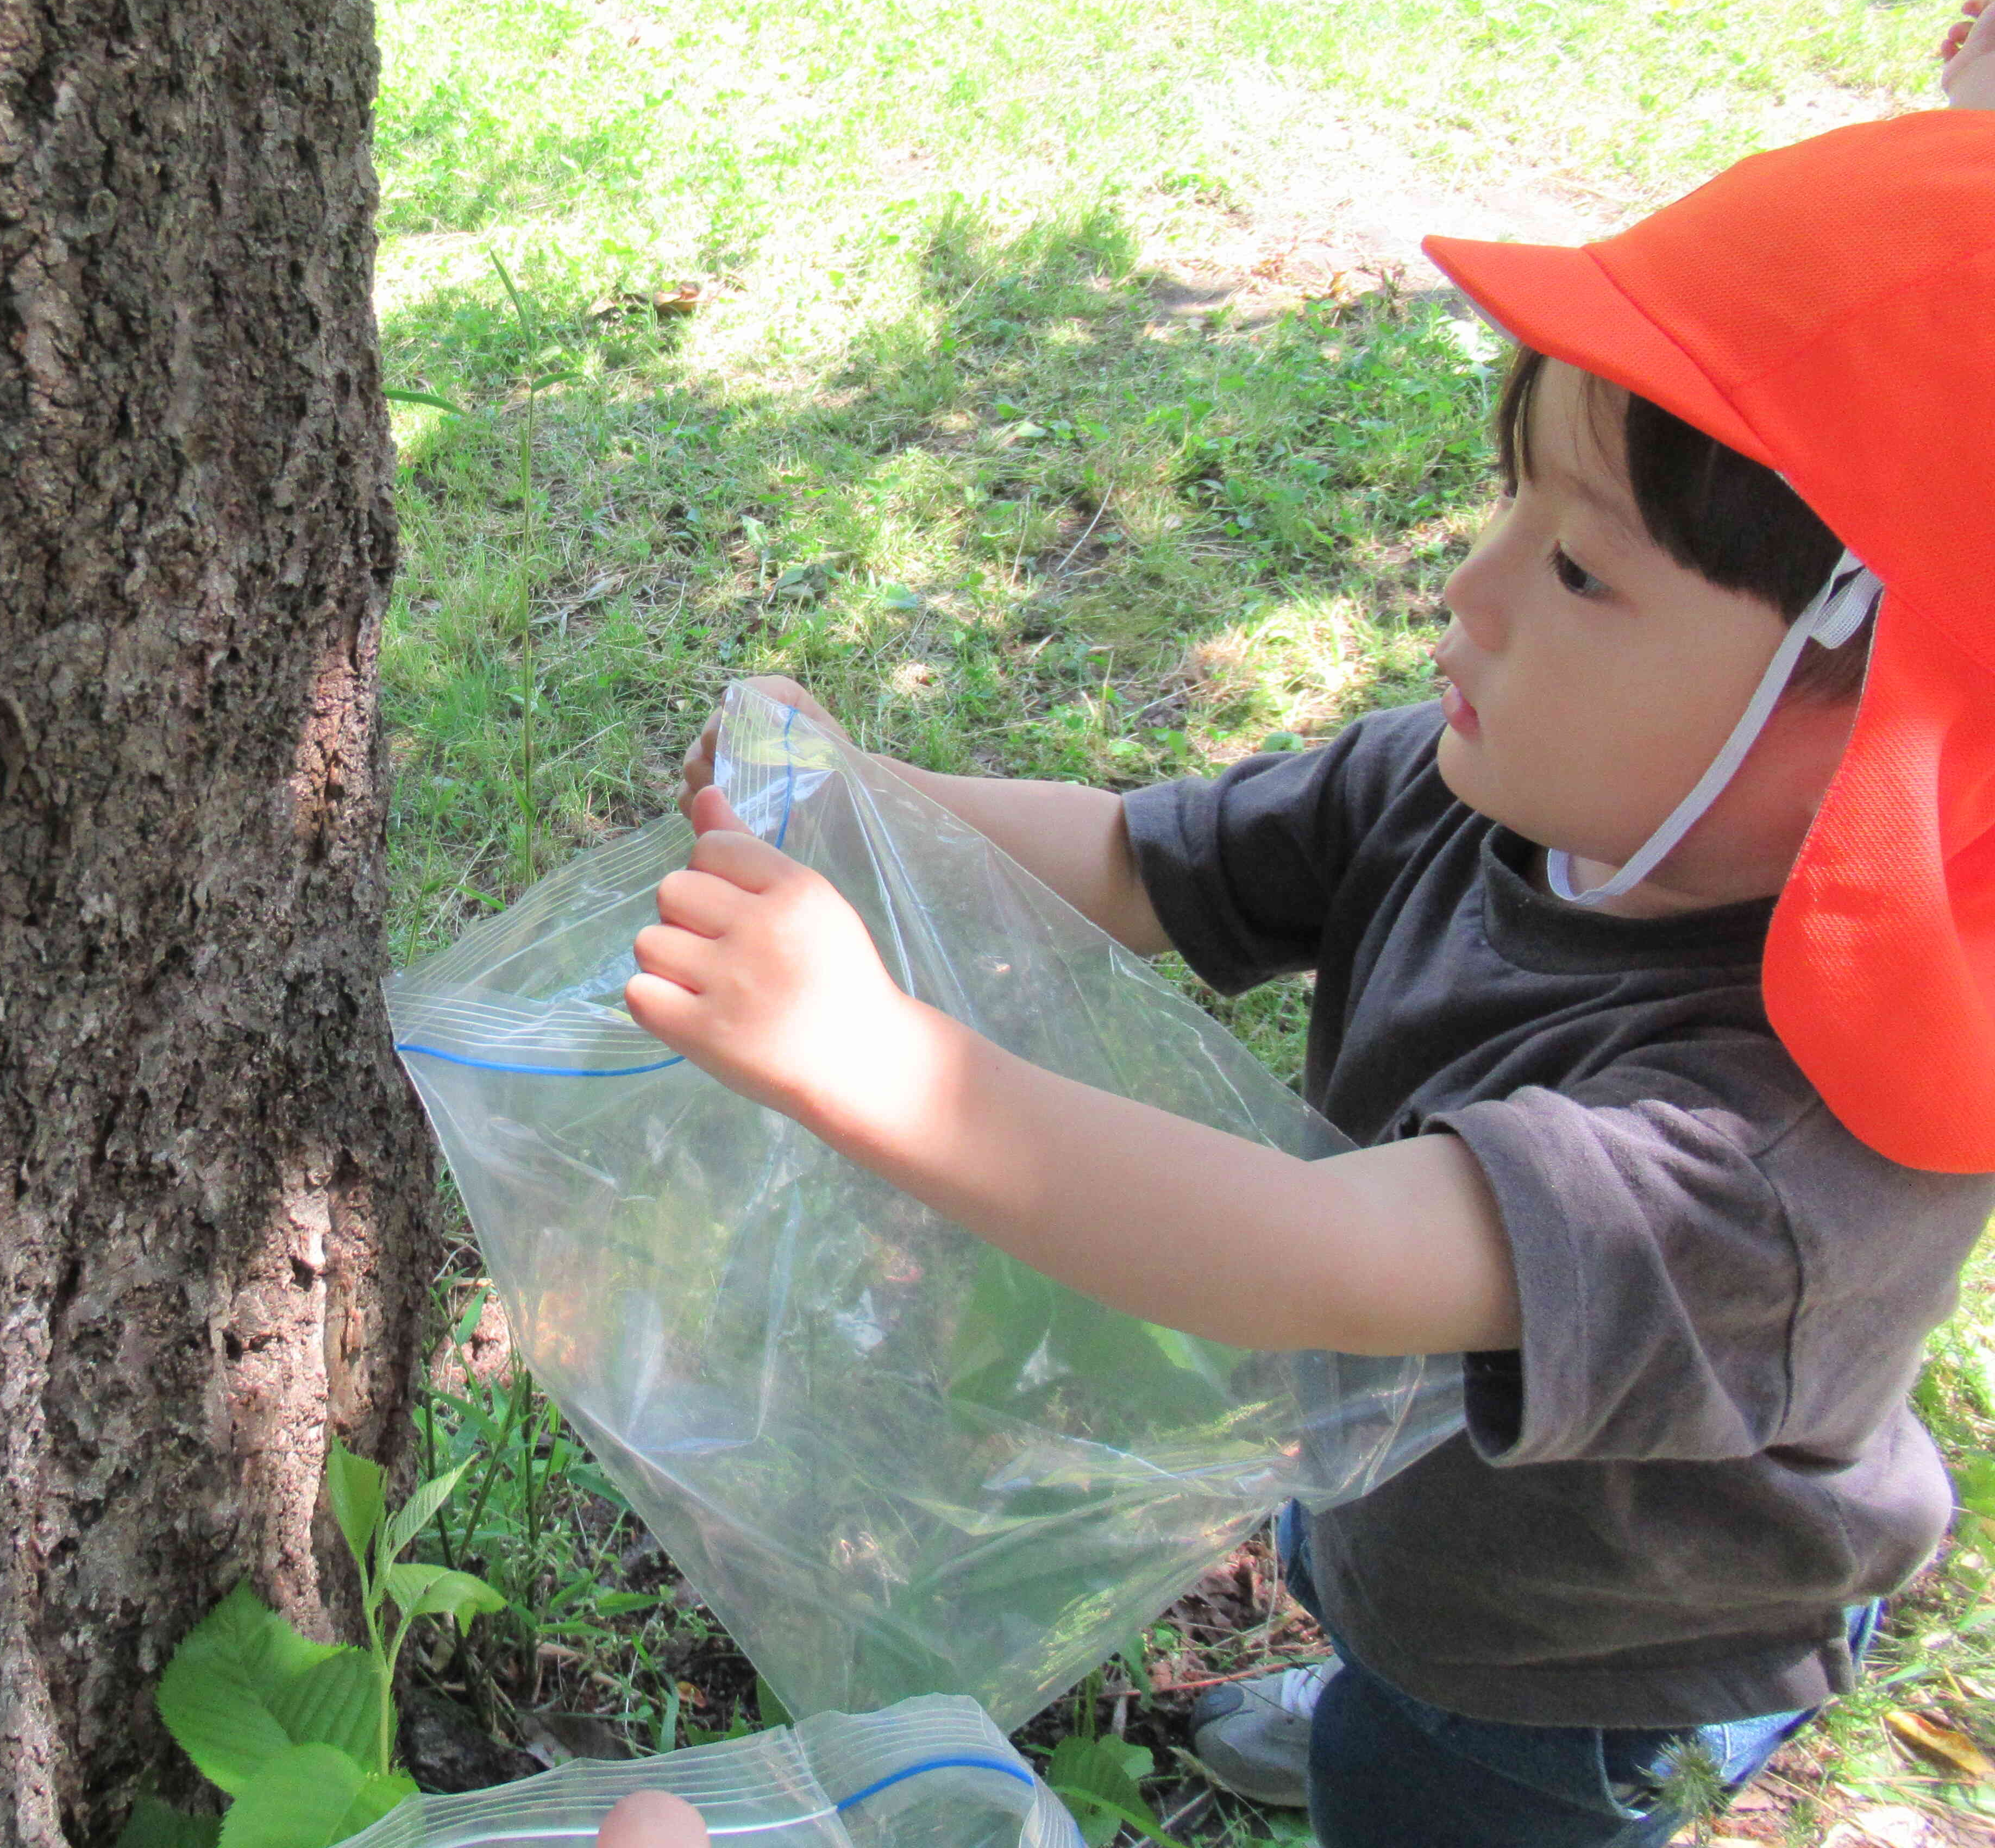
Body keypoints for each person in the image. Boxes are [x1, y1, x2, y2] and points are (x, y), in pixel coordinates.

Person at [626, 103, 1995, 1845]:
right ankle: (1363, 1684)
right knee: (1383, 1624)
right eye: (1515, 495)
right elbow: (1136, 859)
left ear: (1887, 710)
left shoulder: (1782, 1148)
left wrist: (874, 1060)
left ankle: (1398, 1740)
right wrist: (872, 800)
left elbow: (1317, 1264)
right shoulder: (1480, 778)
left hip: (1587, 1664)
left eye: (1580, 566)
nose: (1475, 584)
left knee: (1431, 1781)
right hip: (1431, 1511)